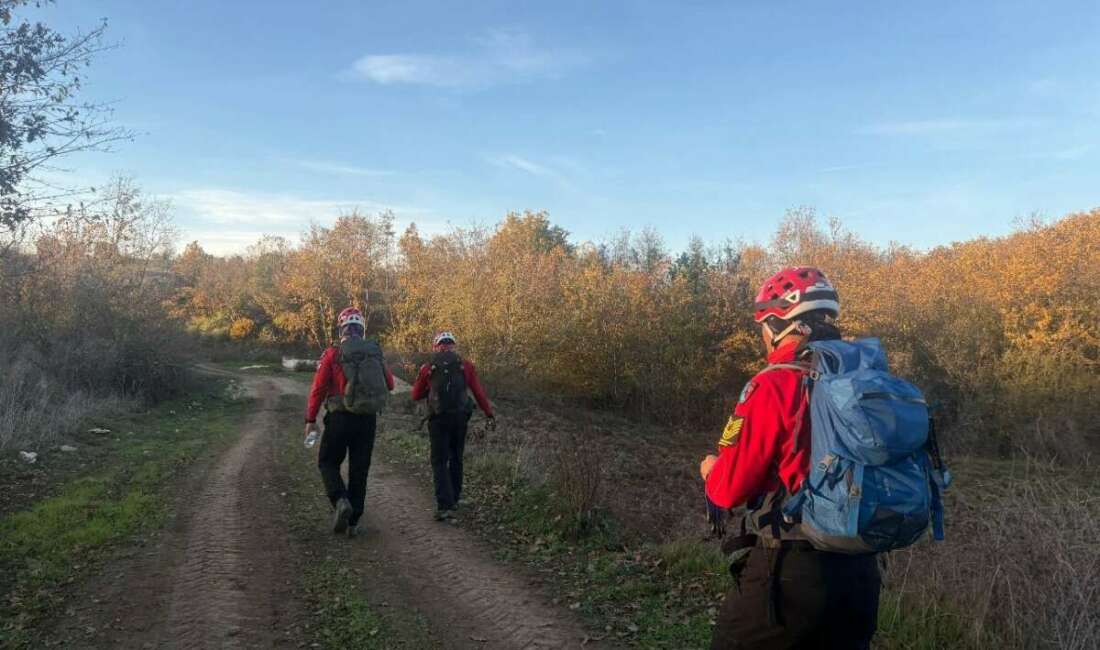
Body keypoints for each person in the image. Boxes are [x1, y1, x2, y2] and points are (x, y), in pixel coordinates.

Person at [700, 267, 881, 650]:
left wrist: (711, 470)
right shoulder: (865, 382)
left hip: (791, 574)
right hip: (862, 577)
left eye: (762, 327)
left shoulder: (773, 383)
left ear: (778, 324)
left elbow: (728, 490)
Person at [304, 306, 396, 538]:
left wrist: (310, 419)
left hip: (339, 418)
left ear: (341, 329)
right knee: (359, 469)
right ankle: (354, 523)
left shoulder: (332, 354)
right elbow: (390, 384)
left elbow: (318, 389)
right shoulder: (374, 353)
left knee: (327, 462)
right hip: (367, 420)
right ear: (362, 330)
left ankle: (340, 500)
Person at [410, 331, 495, 521]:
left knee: (439, 461)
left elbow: (415, 395)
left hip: (437, 419)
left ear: (436, 347)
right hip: (460, 418)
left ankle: (444, 505)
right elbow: (478, 392)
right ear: (453, 346)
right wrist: (488, 413)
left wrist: (429, 390)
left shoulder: (428, 367)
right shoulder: (466, 366)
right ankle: (455, 498)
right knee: (456, 457)